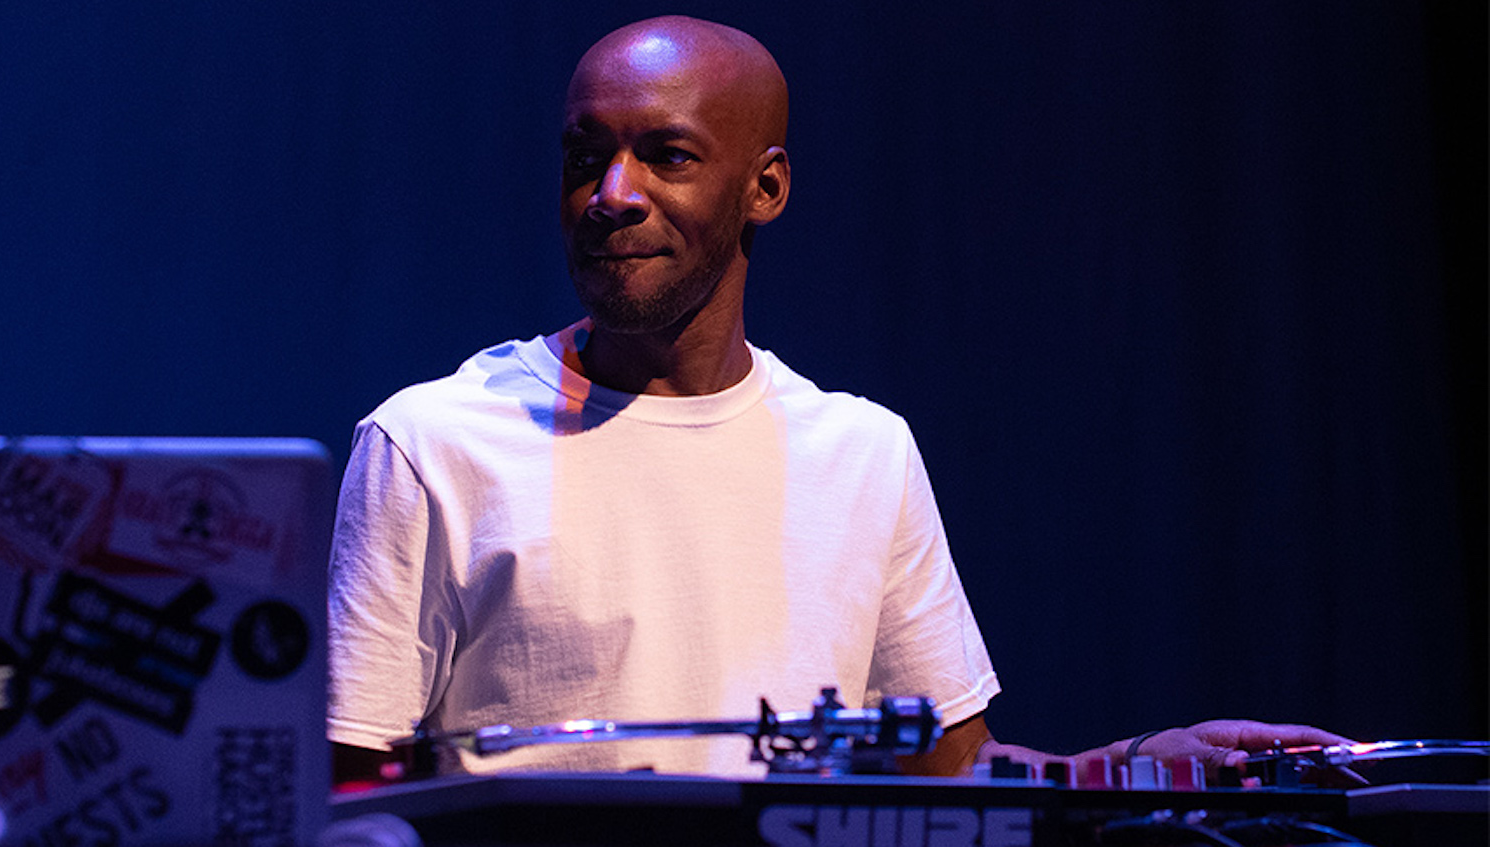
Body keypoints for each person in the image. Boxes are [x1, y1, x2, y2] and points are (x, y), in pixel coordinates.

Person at [326, 15, 1349, 783]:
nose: (612, 193)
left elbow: (946, 774)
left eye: (666, 155)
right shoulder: (431, 440)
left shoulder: (863, 452)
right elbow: (347, 787)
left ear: (764, 188)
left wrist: (1130, 768)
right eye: (586, 157)